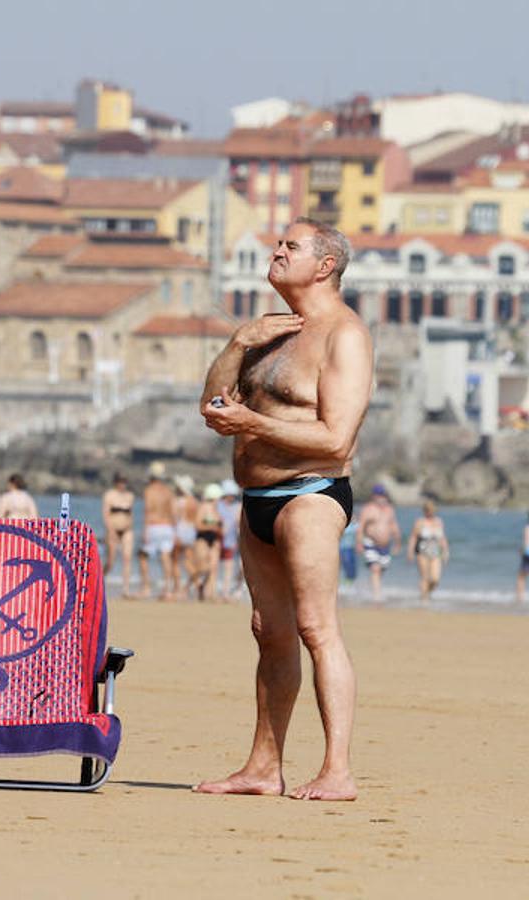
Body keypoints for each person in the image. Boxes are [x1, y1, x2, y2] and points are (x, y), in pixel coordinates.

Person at [196, 217, 372, 802]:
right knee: (268, 633)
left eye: (290, 246)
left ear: (324, 266)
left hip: (310, 495)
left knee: (315, 628)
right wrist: (238, 343)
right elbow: (213, 405)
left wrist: (249, 421)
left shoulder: (343, 335)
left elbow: (336, 440)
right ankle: (263, 768)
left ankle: (337, 770)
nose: (276, 252)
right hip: (257, 500)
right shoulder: (269, 333)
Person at [137, 462, 177, 600]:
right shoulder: (168, 491)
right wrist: (174, 530)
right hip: (167, 527)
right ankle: (168, 589)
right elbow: (173, 512)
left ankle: (146, 587)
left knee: (142, 556)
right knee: (166, 558)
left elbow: (148, 511)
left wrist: (145, 531)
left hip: (154, 526)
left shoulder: (149, 490)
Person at [356, 485, 401, 603]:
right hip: (370, 543)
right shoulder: (368, 509)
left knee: (380, 570)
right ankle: (377, 596)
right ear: (373, 496)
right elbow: (360, 527)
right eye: (378, 495)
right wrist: (359, 543)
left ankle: (372, 589)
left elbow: (394, 526)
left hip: (385, 545)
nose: (381, 498)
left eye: (383, 495)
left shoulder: (389, 509)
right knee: (375, 568)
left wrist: (397, 542)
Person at [406, 500, 449, 605]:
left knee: (435, 579)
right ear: (425, 510)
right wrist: (410, 552)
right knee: (425, 577)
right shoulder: (420, 522)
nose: (431, 512)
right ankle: (424, 600)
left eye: (432, 510)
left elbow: (442, 538)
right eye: (428, 510)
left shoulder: (439, 521)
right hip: (422, 551)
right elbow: (413, 537)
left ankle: (426, 593)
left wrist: (446, 551)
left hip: (436, 552)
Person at [101, 473, 135, 597]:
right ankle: (99, 582)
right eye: (120, 481)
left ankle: (125, 589)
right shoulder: (109, 495)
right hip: (113, 530)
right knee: (111, 561)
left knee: (127, 559)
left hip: (127, 530)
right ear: (115, 482)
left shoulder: (130, 496)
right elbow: (106, 515)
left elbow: (130, 514)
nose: (122, 484)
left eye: (124, 481)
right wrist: (111, 531)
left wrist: (130, 526)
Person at [190, 483, 224, 602]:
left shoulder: (216, 509)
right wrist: (212, 527)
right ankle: (195, 586)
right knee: (203, 568)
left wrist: (219, 529)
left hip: (214, 540)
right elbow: (197, 525)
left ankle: (211, 594)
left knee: (213, 568)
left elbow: (219, 527)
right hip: (202, 538)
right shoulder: (203, 507)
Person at [217, 479, 243, 601]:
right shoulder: (217, 505)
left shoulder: (238, 506)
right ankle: (210, 589)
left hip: (233, 541)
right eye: (229, 495)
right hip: (218, 540)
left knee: (232, 567)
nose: (231, 498)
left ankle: (227, 592)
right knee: (211, 566)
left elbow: (239, 523)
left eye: (232, 495)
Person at [172, 475, 198, 593]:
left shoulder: (179, 501)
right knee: (188, 561)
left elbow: (175, 518)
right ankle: (197, 584)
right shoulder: (194, 501)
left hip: (180, 530)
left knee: (176, 561)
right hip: (191, 531)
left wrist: (174, 533)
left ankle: (177, 588)